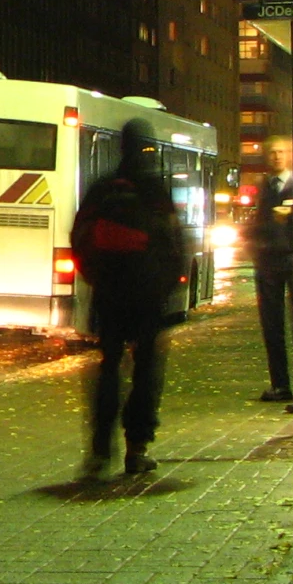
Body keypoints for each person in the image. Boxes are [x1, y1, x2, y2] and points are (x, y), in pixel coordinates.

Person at [70, 128, 187, 480]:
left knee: (108, 370)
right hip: (148, 297)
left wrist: (97, 279)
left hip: (109, 294)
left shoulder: (103, 188)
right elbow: (174, 244)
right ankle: (138, 448)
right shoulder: (155, 192)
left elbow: (79, 237)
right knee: (147, 372)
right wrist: (166, 288)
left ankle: (99, 450)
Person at [248, 134, 293, 403]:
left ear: (290, 155)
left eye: (281, 152)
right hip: (268, 263)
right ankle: (280, 384)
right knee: (272, 326)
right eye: (272, 152)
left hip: (291, 259)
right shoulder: (265, 185)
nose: (277, 157)